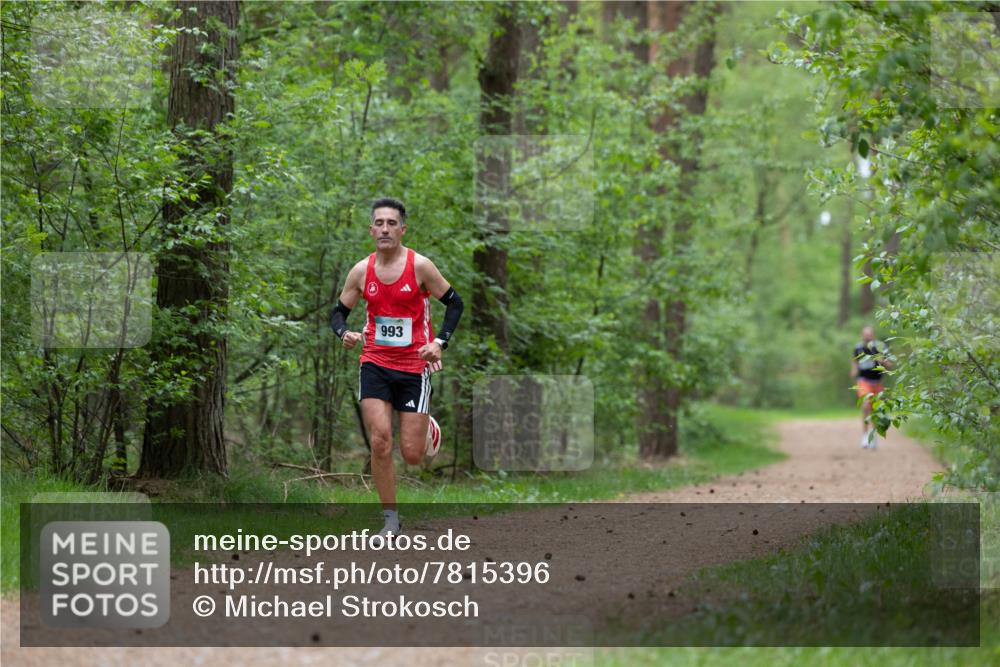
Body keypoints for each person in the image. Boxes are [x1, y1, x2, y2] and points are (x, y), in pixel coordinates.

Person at [330, 198, 463, 538]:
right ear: (371, 229)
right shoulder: (361, 271)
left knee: (413, 455)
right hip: (374, 362)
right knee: (380, 441)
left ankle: (427, 426)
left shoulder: (420, 267)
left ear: (403, 229)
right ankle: (390, 519)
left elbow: (454, 303)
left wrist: (440, 343)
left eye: (392, 223)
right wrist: (344, 333)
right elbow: (337, 313)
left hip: (414, 366)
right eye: (379, 223)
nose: (385, 228)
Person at [851, 325, 891, 450]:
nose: (867, 337)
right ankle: (864, 435)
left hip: (877, 382)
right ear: (862, 335)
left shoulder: (880, 347)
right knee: (866, 404)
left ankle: (872, 437)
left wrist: (882, 361)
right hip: (863, 381)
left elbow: (890, 365)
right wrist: (854, 370)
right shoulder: (858, 348)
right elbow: (854, 361)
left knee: (875, 411)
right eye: (865, 334)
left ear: (873, 335)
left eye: (869, 334)